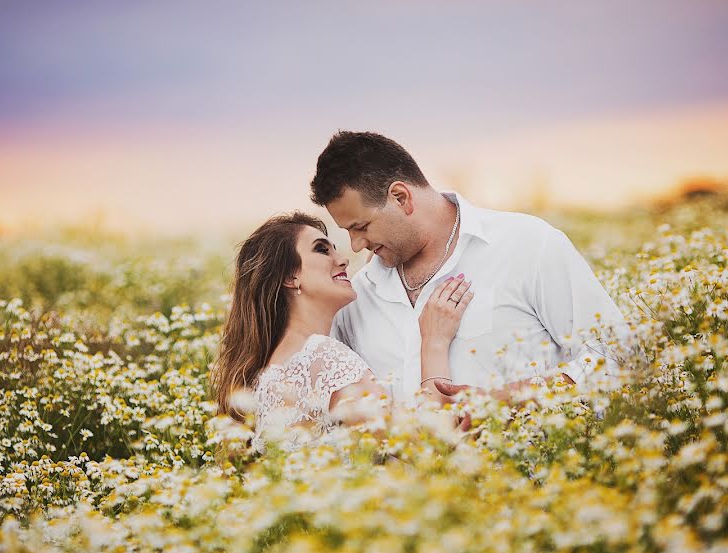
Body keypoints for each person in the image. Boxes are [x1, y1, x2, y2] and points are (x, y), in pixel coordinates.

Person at [310, 131, 628, 403]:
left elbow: (619, 357)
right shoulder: (359, 296)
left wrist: (503, 402)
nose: (355, 245)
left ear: (400, 197)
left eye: (361, 226)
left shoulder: (527, 244)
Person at [209, 212, 473, 453]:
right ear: (290, 277)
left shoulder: (267, 372)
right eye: (322, 250)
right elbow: (427, 447)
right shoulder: (325, 362)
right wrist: (434, 342)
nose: (343, 259)